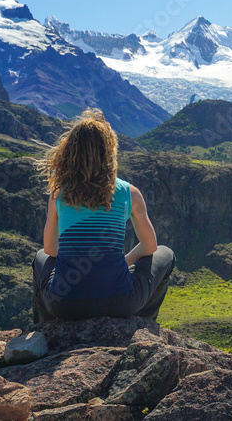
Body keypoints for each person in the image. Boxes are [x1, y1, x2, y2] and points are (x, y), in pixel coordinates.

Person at [32, 108, 175, 322]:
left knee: (40, 257)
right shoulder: (129, 193)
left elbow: (51, 250)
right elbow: (150, 247)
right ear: (109, 152)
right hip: (120, 302)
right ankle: (144, 322)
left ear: (70, 152)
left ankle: (44, 328)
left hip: (64, 306)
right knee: (166, 253)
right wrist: (122, 262)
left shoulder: (58, 194)